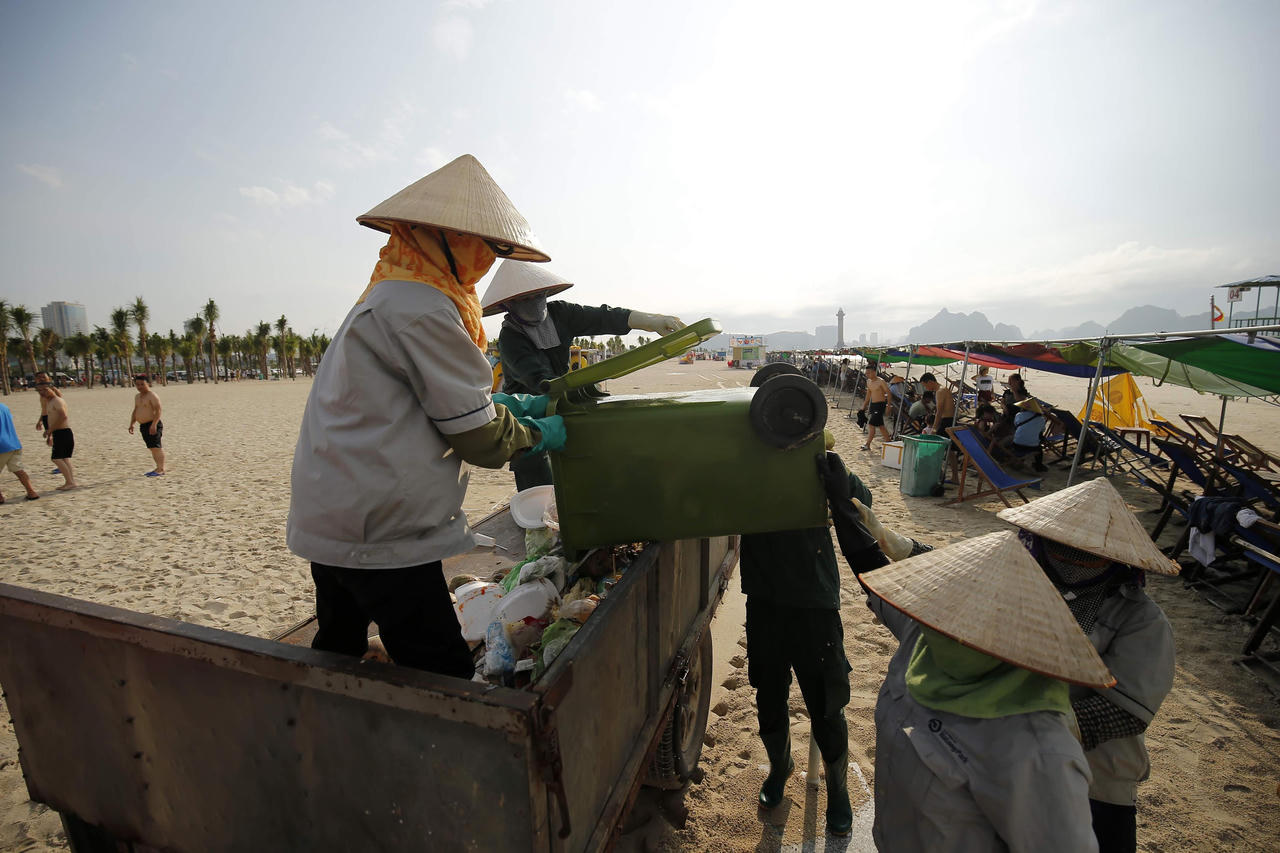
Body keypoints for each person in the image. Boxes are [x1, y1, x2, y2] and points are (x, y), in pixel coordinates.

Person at [287, 154, 565, 678]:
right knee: (441, 668)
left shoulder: (390, 291)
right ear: (440, 238)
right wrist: (537, 433)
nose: (486, 261)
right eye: (483, 246)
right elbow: (478, 438)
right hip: (380, 526)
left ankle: (326, 738)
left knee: (338, 646)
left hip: (331, 508)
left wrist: (505, 405)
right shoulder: (425, 308)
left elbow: (424, 402)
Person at [858, 530, 1113, 852]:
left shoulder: (1038, 754)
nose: (934, 615)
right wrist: (849, 515)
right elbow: (873, 581)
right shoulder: (925, 638)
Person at [999, 478, 1177, 853]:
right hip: (1007, 760)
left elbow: (1126, 710)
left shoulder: (1141, 620)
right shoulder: (1021, 578)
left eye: (1086, 554)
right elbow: (959, 578)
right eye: (1062, 549)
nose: (1072, 561)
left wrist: (1045, 724)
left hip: (1096, 777)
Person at [481, 260, 684, 488]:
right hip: (529, 412)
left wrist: (652, 321)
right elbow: (541, 379)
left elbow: (603, 317)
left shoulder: (561, 313)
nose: (532, 303)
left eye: (536, 296)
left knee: (574, 478)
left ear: (545, 293)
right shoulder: (510, 337)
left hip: (563, 400)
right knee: (537, 482)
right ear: (509, 304)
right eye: (523, 299)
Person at [36, 379, 77, 490]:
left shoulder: (57, 401)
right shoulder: (49, 402)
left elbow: (63, 417)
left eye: (45, 389)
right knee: (64, 458)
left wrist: (50, 430)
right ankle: (70, 482)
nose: (42, 392)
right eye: (39, 390)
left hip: (63, 432)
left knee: (56, 458)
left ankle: (70, 482)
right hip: (59, 432)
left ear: (52, 388)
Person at [0, 401, 40, 502]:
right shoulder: (4, 406)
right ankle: (31, 492)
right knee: (18, 470)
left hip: (2, 445)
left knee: (18, 470)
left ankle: (0, 497)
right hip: (13, 442)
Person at [129, 375, 166, 476]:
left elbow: (158, 410)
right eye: (137, 384)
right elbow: (136, 410)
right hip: (143, 425)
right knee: (151, 447)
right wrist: (132, 423)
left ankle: (161, 469)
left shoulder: (152, 395)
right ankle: (158, 467)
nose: (140, 386)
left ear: (148, 384)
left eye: (142, 384)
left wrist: (154, 424)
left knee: (156, 447)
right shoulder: (137, 397)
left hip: (152, 424)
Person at [1012, 393, 1049, 472]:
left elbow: (1016, 425)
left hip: (1017, 444)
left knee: (1023, 436)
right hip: (1031, 447)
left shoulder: (1018, 415)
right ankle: (1038, 465)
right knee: (1039, 448)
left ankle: (1020, 460)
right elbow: (1041, 431)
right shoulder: (1041, 419)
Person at [860, 363, 892, 451]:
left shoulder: (881, 381)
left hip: (880, 405)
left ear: (874, 372)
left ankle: (867, 444)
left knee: (871, 424)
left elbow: (888, 393)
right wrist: (864, 405)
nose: (867, 375)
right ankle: (889, 443)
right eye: (866, 373)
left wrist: (888, 405)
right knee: (881, 426)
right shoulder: (869, 382)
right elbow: (868, 394)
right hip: (873, 405)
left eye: (869, 373)